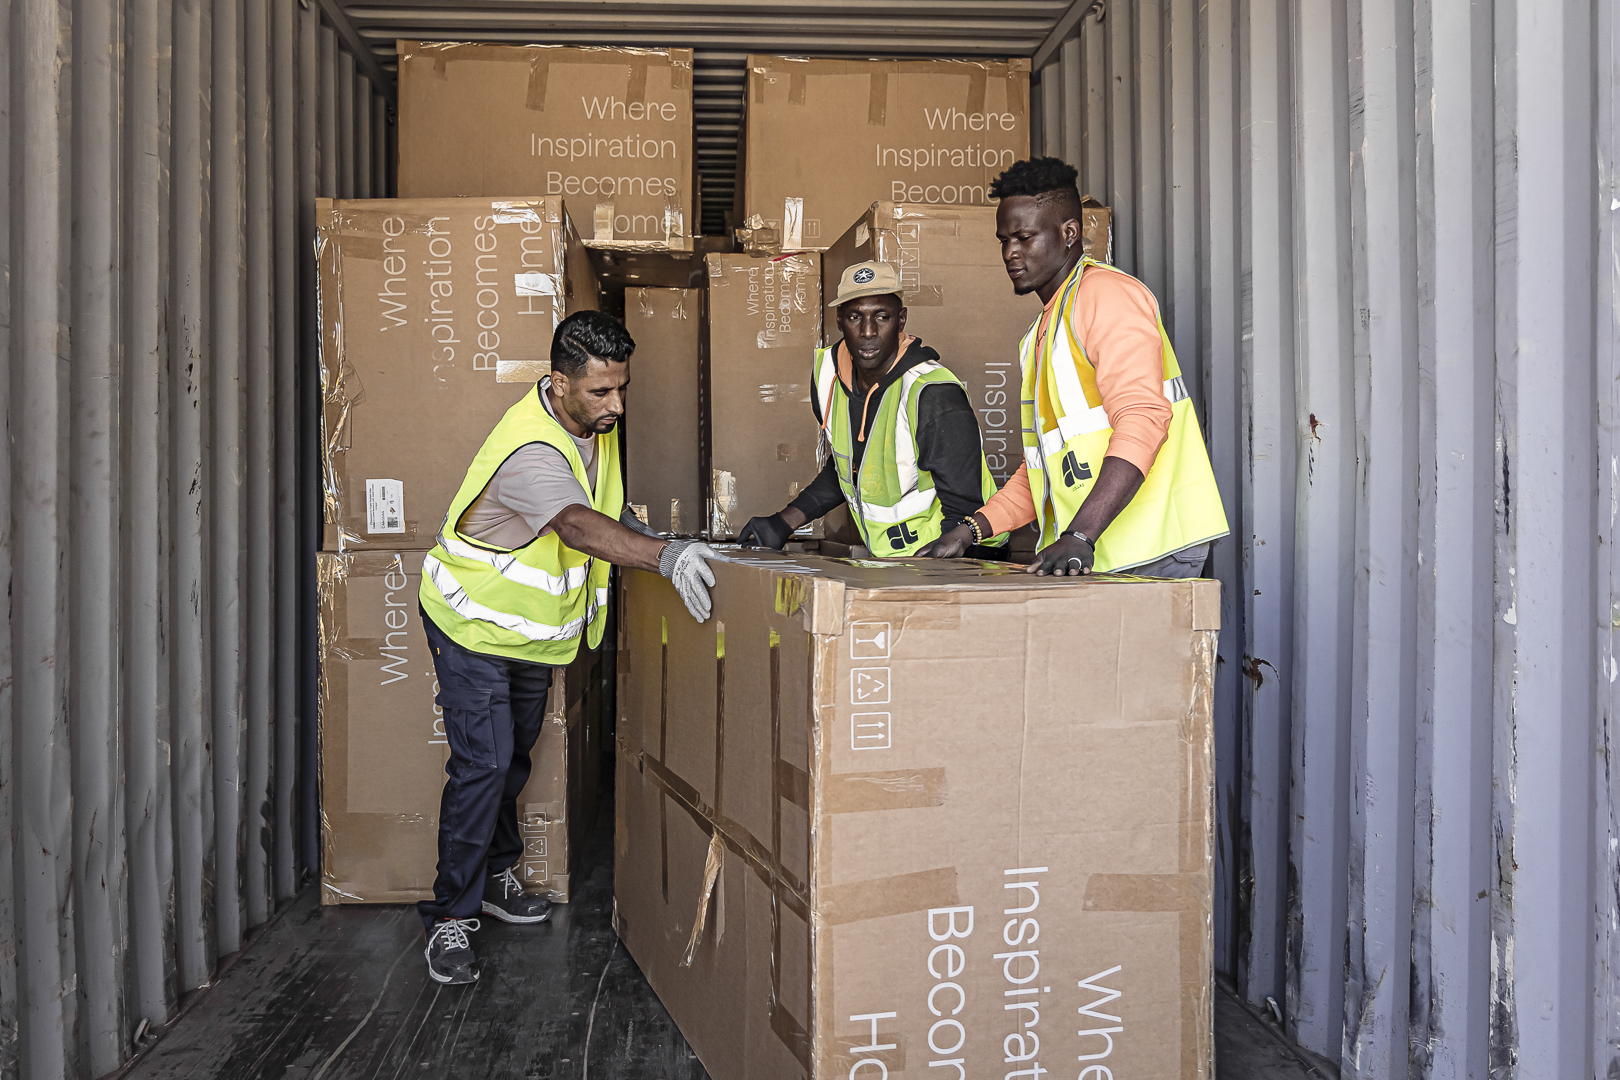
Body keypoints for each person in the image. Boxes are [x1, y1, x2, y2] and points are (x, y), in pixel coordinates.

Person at [415, 310, 717, 984]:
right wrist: (663, 557)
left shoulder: (591, 426)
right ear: (558, 384)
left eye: (622, 388)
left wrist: (662, 538)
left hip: (523, 632)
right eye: (601, 392)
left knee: (510, 760)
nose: (617, 405)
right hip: (470, 625)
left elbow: (605, 506)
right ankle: (449, 918)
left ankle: (493, 877)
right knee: (483, 766)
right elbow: (578, 525)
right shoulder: (532, 451)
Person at [925, 158, 1229, 575]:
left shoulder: (1107, 297)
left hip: (1150, 547)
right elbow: (1044, 468)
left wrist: (1080, 534)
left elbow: (1144, 417)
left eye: (1024, 237)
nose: (1010, 252)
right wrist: (972, 530)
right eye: (1003, 240)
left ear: (1069, 233)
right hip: (1097, 551)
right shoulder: (1042, 332)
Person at [736, 261, 1005, 557]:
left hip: (957, 559)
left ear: (901, 320)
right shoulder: (829, 378)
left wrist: (932, 586)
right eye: (855, 317)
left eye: (882, 316)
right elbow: (851, 468)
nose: (867, 331)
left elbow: (964, 515)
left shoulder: (932, 394)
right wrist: (783, 523)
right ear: (839, 320)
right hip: (896, 564)